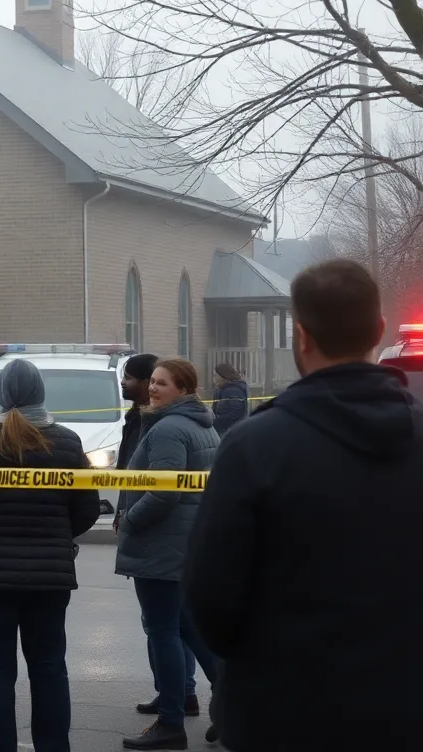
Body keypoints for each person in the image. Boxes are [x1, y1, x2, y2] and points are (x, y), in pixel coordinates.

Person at [184, 259, 423, 752]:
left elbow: (210, 598)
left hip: (282, 714)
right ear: (378, 329)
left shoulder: (254, 446)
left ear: (301, 336)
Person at [0, 359, 100, 752]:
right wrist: (58, 536)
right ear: (40, 392)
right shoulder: (67, 442)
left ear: (1, 393)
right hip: (50, 576)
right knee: (49, 668)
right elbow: (86, 510)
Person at [116, 359, 220, 750]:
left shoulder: (169, 430)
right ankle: (232, 708)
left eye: (162, 383)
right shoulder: (201, 424)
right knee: (190, 629)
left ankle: (171, 723)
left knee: (164, 633)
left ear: (183, 389)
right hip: (187, 543)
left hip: (162, 545)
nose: (153, 389)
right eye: (153, 382)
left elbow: (163, 491)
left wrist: (129, 520)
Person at [211, 363, 249, 436]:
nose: (214, 378)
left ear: (223, 376)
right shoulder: (224, 389)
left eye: (216, 376)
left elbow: (234, 414)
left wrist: (214, 422)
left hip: (230, 433)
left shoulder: (232, 390)